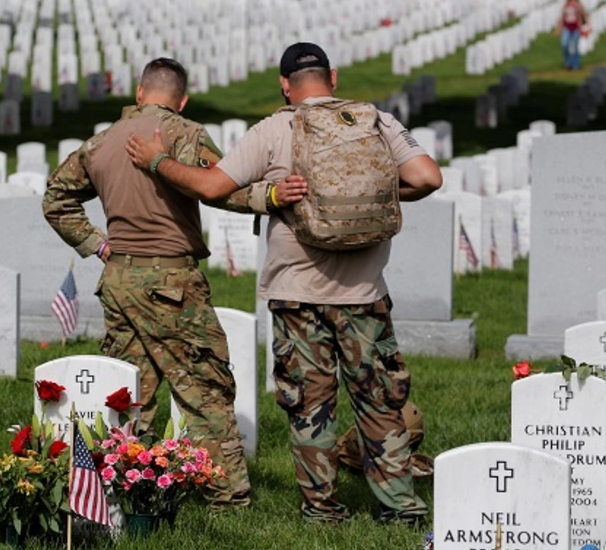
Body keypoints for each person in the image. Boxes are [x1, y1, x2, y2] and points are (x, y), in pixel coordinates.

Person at [125, 43, 443, 525]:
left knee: (310, 405)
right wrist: (368, 193)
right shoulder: (375, 120)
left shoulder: (274, 129)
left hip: (295, 293)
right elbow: (427, 177)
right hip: (364, 295)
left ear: (284, 85)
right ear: (332, 77)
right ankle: (400, 507)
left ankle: (322, 510)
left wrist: (156, 161)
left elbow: (211, 187)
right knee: (378, 400)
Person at [43, 57, 306, 510]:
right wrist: (273, 196)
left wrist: (98, 244)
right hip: (171, 281)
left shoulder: (100, 143)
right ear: (181, 100)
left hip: (119, 278)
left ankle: (117, 489)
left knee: (128, 391)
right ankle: (225, 496)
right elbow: (221, 187)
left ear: (140, 93)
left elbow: (55, 200)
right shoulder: (184, 135)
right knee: (205, 384)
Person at [555, 0, 590, 71]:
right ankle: (568, 63)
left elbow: (585, 16)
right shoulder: (565, 7)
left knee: (574, 47)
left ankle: (576, 65)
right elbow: (561, 18)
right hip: (567, 28)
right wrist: (558, 29)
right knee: (565, 45)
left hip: (576, 28)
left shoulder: (579, 6)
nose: (571, 1)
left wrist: (588, 27)